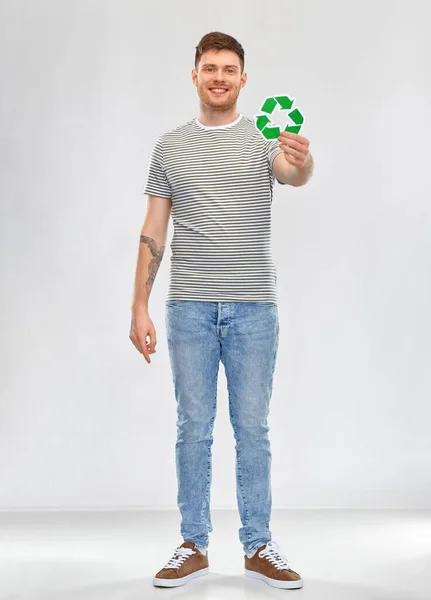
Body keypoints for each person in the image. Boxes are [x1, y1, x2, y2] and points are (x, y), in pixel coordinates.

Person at [129, 31, 314, 590]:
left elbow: (292, 174)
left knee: (252, 427)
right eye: (209, 68)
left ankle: (259, 545)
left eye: (228, 69)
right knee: (193, 428)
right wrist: (139, 304)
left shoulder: (264, 138)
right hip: (187, 308)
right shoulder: (169, 146)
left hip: (254, 307)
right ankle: (193, 544)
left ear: (242, 78)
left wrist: (302, 159)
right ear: (194, 76)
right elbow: (154, 227)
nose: (218, 77)